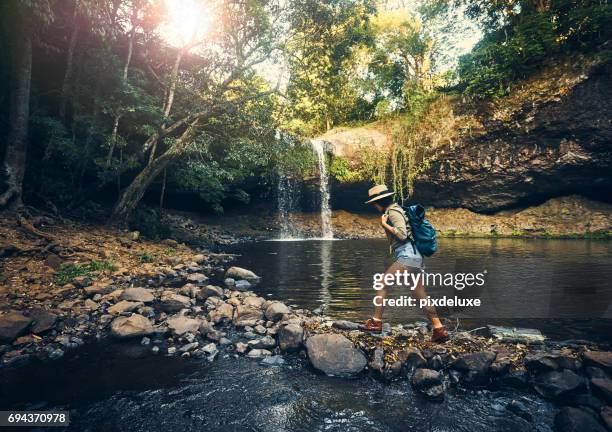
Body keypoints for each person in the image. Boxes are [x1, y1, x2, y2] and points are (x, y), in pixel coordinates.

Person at [360, 184, 449, 343]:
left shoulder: (393, 212)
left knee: (382, 283)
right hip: (415, 256)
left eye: (374, 203)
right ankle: (438, 329)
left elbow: (402, 234)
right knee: (419, 294)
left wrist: (384, 225)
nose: (374, 206)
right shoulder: (396, 209)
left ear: (379, 202)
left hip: (408, 256)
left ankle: (376, 322)